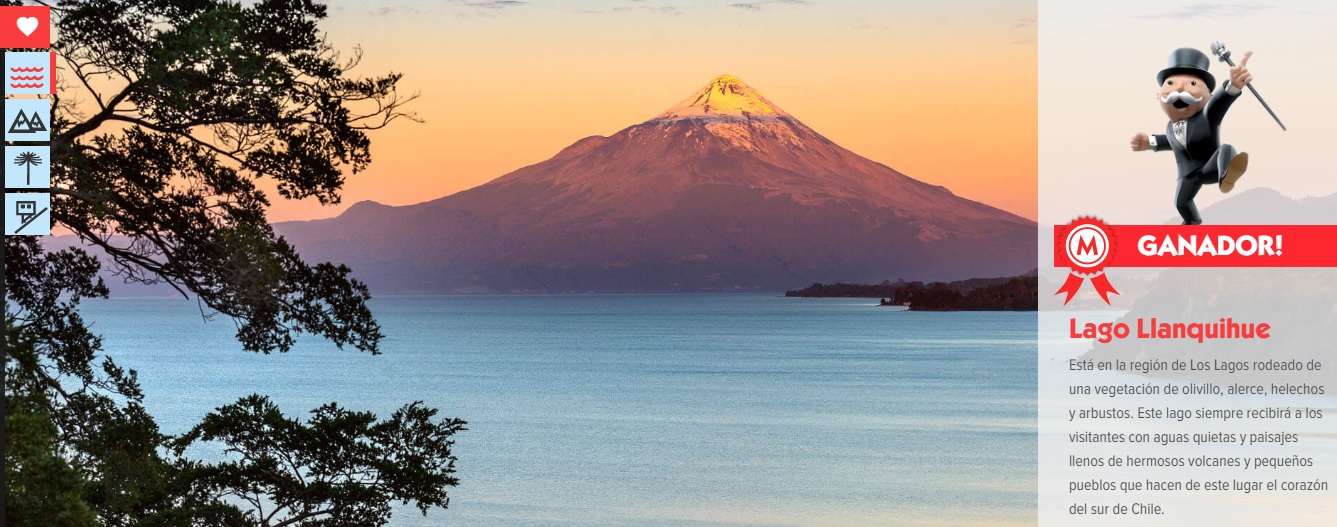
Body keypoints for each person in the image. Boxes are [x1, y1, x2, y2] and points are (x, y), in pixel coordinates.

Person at [1130, 47, 1254, 225]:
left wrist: (1232, 86)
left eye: (1192, 84)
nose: (1179, 88)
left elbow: (1219, 104)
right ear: (1159, 95)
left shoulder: (1207, 117)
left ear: (1208, 96)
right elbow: (1169, 142)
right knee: (1181, 202)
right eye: (1170, 84)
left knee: (1226, 149)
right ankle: (1192, 223)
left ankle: (1226, 174)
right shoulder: (1169, 127)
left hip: (1210, 167)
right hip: (1187, 175)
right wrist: (1149, 142)